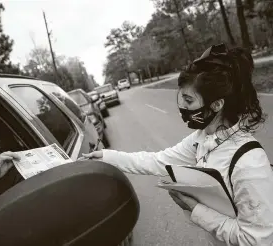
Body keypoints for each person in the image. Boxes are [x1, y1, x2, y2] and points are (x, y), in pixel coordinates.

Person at [82, 44, 273, 245]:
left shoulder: (249, 163)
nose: (182, 107)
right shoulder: (202, 140)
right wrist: (106, 157)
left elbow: (257, 240)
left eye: (189, 101)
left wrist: (196, 210)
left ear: (217, 104)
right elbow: (156, 161)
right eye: (181, 98)